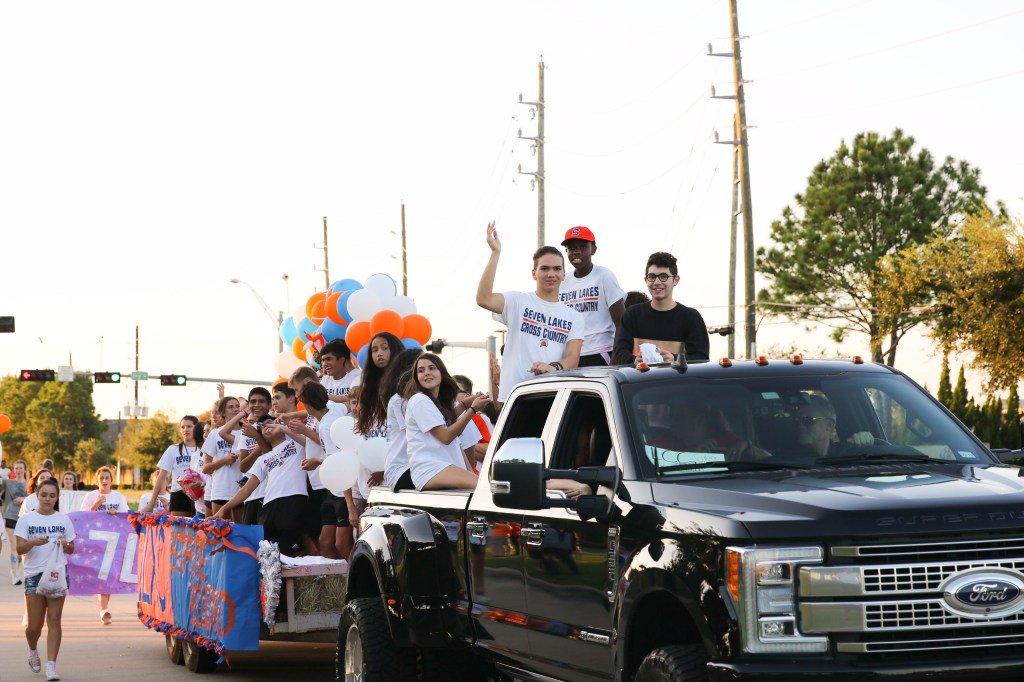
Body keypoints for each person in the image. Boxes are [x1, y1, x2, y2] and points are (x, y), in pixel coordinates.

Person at [476, 221, 584, 409]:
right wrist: (495, 253)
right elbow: (483, 298)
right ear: (534, 273)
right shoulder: (517, 301)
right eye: (545, 268)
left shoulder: (574, 316)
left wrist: (553, 367)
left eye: (557, 269)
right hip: (513, 396)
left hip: (552, 397)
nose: (551, 274)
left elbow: (573, 358)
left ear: (564, 274)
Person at [214, 421, 307, 556]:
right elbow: (247, 489)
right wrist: (224, 508)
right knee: (268, 555)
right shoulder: (262, 459)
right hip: (269, 505)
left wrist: (284, 428)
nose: (266, 428)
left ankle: (293, 578)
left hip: (293, 499)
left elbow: (308, 440)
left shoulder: (296, 444)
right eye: (263, 428)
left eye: (271, 425)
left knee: (291, 551)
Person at [15, 477, 75, 681]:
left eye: (52, 496)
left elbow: (72, 547)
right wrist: (33, 542)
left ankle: (51, 666)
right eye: (44, 495)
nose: (48, 499)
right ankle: (33, 650)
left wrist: (65, 544)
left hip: (57, 573)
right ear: (37, 496)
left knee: (55, 619)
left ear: (57, 497)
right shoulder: (26, 520)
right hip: (34, 575)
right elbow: (19, 548)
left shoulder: (63, 519)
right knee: (34, 626)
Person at [404, 353, 491, 491]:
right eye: (421, 371)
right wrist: (473, 409)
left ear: (441, 372)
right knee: (486, 489)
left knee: (480, 490)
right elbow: (446, 436)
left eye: (431, 368)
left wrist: (465, 405)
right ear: (417, 378)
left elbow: (448, 421)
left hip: (446, 466)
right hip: (431, 469)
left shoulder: (435, 401)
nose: (426, 373)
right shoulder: (419, 400)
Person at [612, 252, 710, 365]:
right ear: (646, 280)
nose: (657, 282)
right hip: (639, 381)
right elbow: (619, 351)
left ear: (676, 280)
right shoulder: (632, 314)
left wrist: (675, 359)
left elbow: (702, 358)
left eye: (664, 277)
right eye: (652, 277)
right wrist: (633, 360)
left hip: (677, 382)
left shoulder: (691, 317)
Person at [297, 382, 355, 559]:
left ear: (307, 405)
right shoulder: (333, 411)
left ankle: (356, 582)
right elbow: (346, 405)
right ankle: (337, 583)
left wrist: (316, 461)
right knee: (325, 542)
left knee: (342, 544)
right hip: (333, 491)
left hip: (344, 492)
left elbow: (339, 462)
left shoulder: (328, 425)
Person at [558, 226, 626, 367]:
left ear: (593, 249)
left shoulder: (604, 276)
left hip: (600, 353)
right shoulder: (563, 281)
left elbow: (622, 323)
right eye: (571, 248)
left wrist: (615, 359)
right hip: (571, 356)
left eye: (583, 247)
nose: (576, 252)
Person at [81, 466, 128, 625]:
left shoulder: (118, 497)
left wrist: (116, 515)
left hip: (113, 541)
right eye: (102, 478)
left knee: (110, 575)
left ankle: (104, 607)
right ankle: (104, 609)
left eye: (107, 478)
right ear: (97, 480)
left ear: (112, 480)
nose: (104, 481)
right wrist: (96, 504)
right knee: (102, 574)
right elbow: (82, 517)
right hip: (96, 541)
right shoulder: (90, 496)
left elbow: (125, 517)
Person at [217, 388, 273, 523]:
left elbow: (272, 458)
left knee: (268, 542)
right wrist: (258, 443)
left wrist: (257, 437)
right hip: (250, 496)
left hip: (270, 495)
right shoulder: (246, 430)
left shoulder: (275, 425)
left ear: (270, 405)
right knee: (249, 542)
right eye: (253, 401)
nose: (257, 405)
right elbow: (243, 467)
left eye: (262, 401)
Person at [143, 416, 204, 516]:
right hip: (179, 495)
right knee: (179, 530)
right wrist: (151, 502)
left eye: (189, 426)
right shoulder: (173, 449)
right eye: (182, 427)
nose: (185, 430)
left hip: (200, 494)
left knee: (199, 529)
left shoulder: (203, 449)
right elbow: (161, 477)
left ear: (196, 428)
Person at [382, 349, 423, 491]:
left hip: (421, 467)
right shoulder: (399, 401)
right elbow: (421, 433)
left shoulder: (424, 399)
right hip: (402, 468)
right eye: (421, 369)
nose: (427, 374)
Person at [202, 396, 243, 520]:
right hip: (220, 490)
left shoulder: (247, 432)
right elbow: (206, 468)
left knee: (239, 533)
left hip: (241, 490)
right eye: (231, 407)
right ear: (223, 413)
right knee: (220, 533)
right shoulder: (215, 433)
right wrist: (224, 460)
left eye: (237, 406)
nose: (236, 409)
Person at [453, 375, 492, 469]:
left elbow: (490, 451)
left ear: (467, 395)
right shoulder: (442, 416)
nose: (449, 394)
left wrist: (457, 442)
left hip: (473, 475)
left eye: (454, 390)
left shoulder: (478, 418)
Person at [2, 459, 29, 584]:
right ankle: (15, 575)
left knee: (21, 548)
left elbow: (35, 498)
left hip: (25, 519)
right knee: (14, 547)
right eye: (16, 468)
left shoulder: (29, 484)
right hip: (11, 517)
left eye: (20, 468)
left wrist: (24, 499)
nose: (18, 470)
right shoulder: (8, 483)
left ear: (25, 470)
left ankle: (16, 570)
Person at [320, 339, 361, 407]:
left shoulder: (357, 377)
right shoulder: (324, 381)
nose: (324, 364)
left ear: (342, 360)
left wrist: (325, 397)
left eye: (328, 359)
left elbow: (357, 402)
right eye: (323, 360)